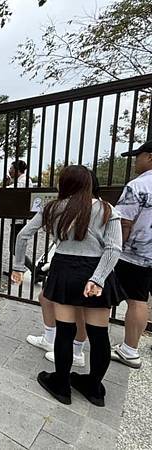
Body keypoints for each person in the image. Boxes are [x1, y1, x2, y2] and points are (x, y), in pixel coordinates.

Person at [12, 165, 123, 407]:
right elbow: (114, 248)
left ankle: (61, 385)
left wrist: (19, 267)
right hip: (97, 271)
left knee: (65, 331)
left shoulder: (53, 207)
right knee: (99, 334)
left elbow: (22, 236)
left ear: (65, 184)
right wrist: (98, 279)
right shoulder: (106, 209)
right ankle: (94, 389)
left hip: (64, 271)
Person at [26, 170, 103, 368]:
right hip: (90, 266)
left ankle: (73, 352)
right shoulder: (102, 207)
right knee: (48, 298)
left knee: (74, 311)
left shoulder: (79, 207)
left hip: (74, 265)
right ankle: (56, 341)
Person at [111, 139, 152, 369]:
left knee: (132, 299)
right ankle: (131, 346)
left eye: (139, 155)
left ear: (150, 157)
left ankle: (129, 350)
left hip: (134, 253)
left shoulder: (138, 186)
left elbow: (124, 222)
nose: (136, 160)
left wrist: (116, 248)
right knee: (142, 298)